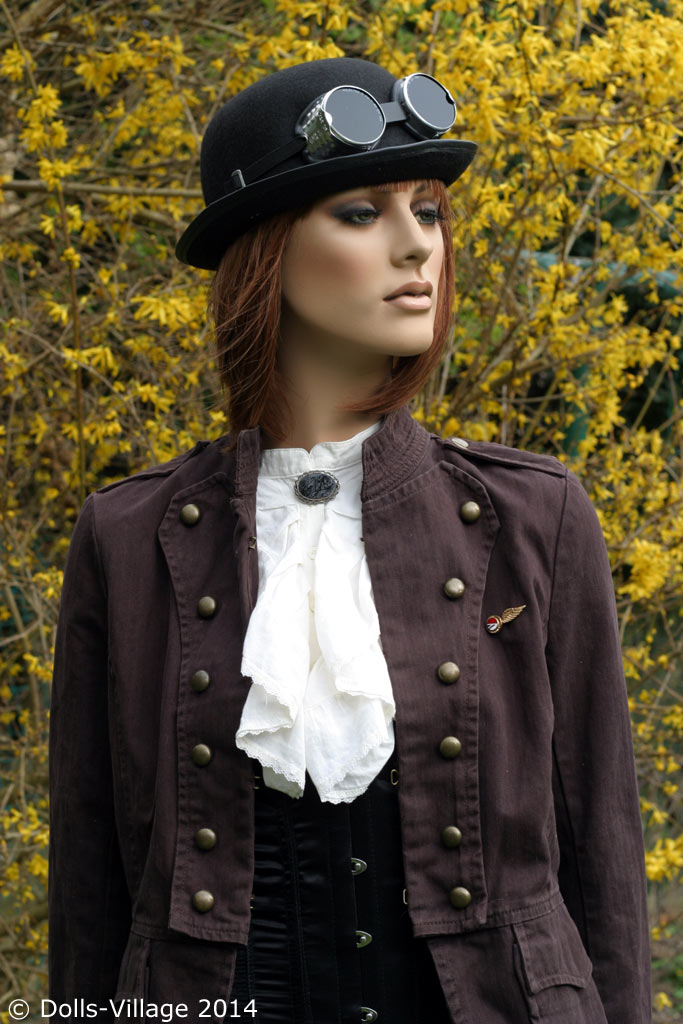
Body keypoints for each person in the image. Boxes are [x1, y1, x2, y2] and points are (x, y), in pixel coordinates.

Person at [48, 57, 651, 1024]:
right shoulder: (127, 537)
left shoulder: (534, 515)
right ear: (265, 253)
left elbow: (603, 861)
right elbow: (89, 888)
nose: (416, 246)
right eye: (362, 213)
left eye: (429, 212)